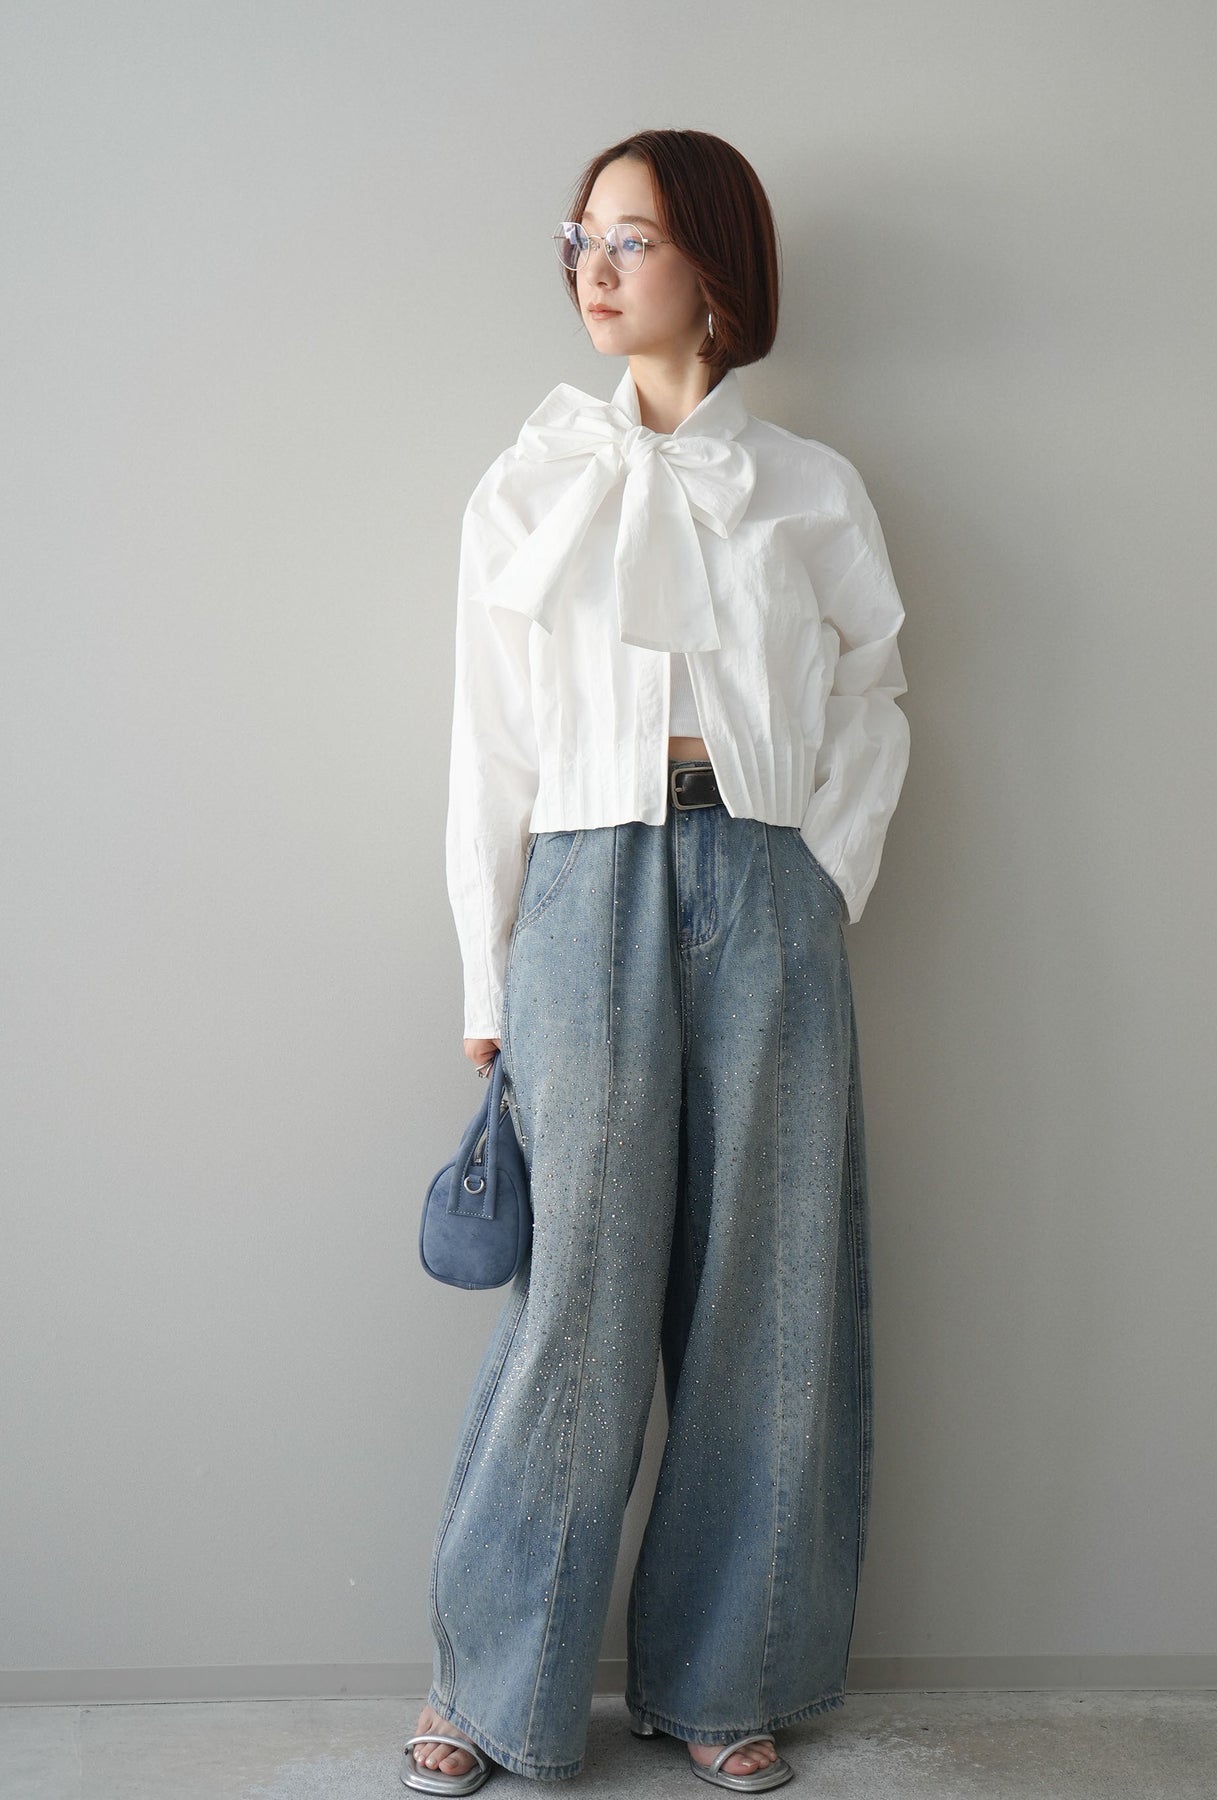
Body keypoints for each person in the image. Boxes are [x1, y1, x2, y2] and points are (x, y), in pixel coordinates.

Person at [402, 129, 911, 1796]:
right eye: (582, 237)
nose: (595, 267)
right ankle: (494, 1686)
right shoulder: (532, 481)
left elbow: (877, 693)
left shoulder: (811, 488)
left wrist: (822, 868)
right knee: (579, 1295)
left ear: (716, 265)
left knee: (766, 1289)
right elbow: (487, 746)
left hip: (765, 883)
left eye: (632, 237)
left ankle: (721, 1675)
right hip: (582, 886)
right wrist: (487, 980)